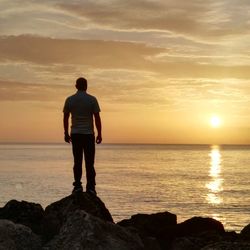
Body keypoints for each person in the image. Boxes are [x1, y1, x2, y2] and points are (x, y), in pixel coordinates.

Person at [63, 77, 102, 195]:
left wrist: (65, 133)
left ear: (76, 86)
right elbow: (97, 118)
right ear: (86, 86)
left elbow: (65, 117)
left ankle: (77, 186)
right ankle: (91, 187)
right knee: (90, 162)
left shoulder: (70, 100)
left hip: (75, 134)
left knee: (77, 161)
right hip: (88, 134)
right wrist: (99, 133)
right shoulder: (92, 99)